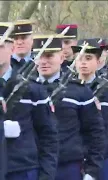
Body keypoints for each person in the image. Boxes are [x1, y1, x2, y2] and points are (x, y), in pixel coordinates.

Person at [35, 34, 106, 180]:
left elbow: (95, 132)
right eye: (39, 55)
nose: (43, 61)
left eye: (49, 56)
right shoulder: (26, 90)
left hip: (67, 167)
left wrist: (92, 171)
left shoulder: (78, 91)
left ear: (61, 58)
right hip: (33, 166)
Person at [1, 23, 59, 180]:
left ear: (12, 49)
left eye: (0, 46)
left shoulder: (33, 88)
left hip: (22, 169)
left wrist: (46, 175)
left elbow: (48, 135)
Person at [74, 38, 108, 180]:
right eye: (79, 58)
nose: (83, 62)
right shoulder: (66, 90)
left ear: (98, 61)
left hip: (104, 159)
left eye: (88, 58)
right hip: (75, 159)